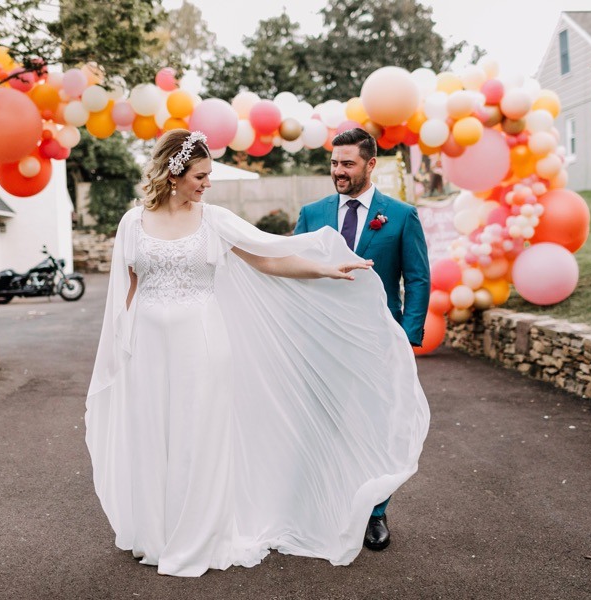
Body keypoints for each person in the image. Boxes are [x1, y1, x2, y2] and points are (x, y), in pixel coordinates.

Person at [86, 129, 430, 577]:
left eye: (209, 176)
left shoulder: (215, 220)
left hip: (203, 345)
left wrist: (326, 267)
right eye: (200, 176)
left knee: (198, 437)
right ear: (174, 174)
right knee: (155, 436)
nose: (207, 183)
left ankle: (198, 537)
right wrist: (121, 349)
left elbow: (271, 257)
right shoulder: (132, 224)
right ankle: (158, 534)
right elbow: (126, 291)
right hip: (149, 348)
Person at [294, 128, 431, 552]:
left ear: (371, 165)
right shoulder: (312, 213)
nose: (339, 171)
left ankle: (375, 513)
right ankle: (323, 504)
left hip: (378, 341)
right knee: (322, 425)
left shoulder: (401, 215)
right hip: (321, 340)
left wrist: (405, 340)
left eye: (348, 164)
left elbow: (418, 279)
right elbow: (293, 269)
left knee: (375, 426)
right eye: (334, 163)